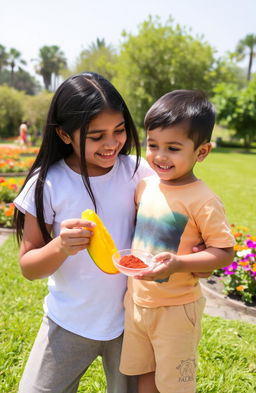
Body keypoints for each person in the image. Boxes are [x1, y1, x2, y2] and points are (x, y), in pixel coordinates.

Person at [13, 74, 206, 393]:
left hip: (132, 322)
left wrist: (190, 251)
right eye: (96, 136)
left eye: (119, 131)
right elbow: (29, 266)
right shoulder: (47, 183)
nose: (112, 143)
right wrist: (61, 246)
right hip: (68, 323)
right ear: (63, 134)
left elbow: (176, 215)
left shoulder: (139, 171)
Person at [119, 90, 236, 393]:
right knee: (144, 373)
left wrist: (181, 262)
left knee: (174, 384)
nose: (159, 156)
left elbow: (224, 252)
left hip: (176, 310)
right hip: (137, 302)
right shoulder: (145, 186)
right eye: (153, 144)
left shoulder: (203, 200)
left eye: (172, 147)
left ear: (202, 151)